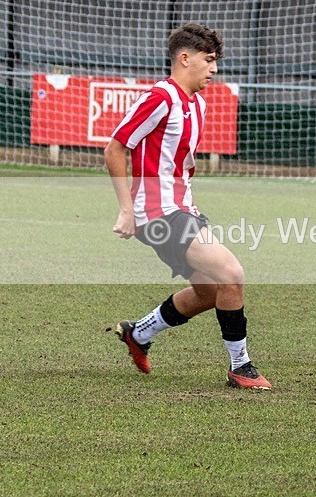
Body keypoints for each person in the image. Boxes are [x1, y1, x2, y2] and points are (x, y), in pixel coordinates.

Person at [104, 23, 271, 390]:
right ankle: (240, 367)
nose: (214, 69)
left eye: (215, 62)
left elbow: (180, 165)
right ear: (184, 58)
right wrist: (127, 209)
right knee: (231, 272)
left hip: (183, 211)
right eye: (208, 60)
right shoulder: (160, 98)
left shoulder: (196, 104)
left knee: (209, 293)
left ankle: (139, 333)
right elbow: (116, 147)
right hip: (158, 214)